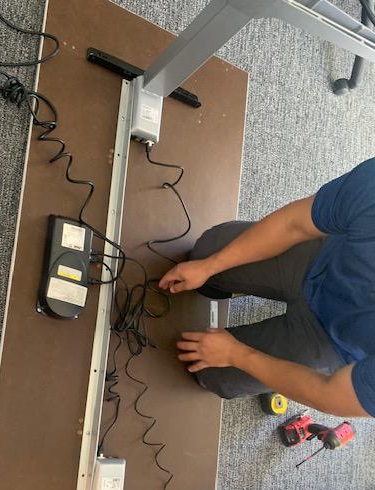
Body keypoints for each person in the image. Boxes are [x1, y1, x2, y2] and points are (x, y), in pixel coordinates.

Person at [159, 158, 375, 418]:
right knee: (204, 252)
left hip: (336, 341)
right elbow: (294, 224)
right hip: (323, 261)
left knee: (210, 372)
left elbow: (328, 395)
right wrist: (210, 266)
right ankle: (221, 281)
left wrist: (237, 355)